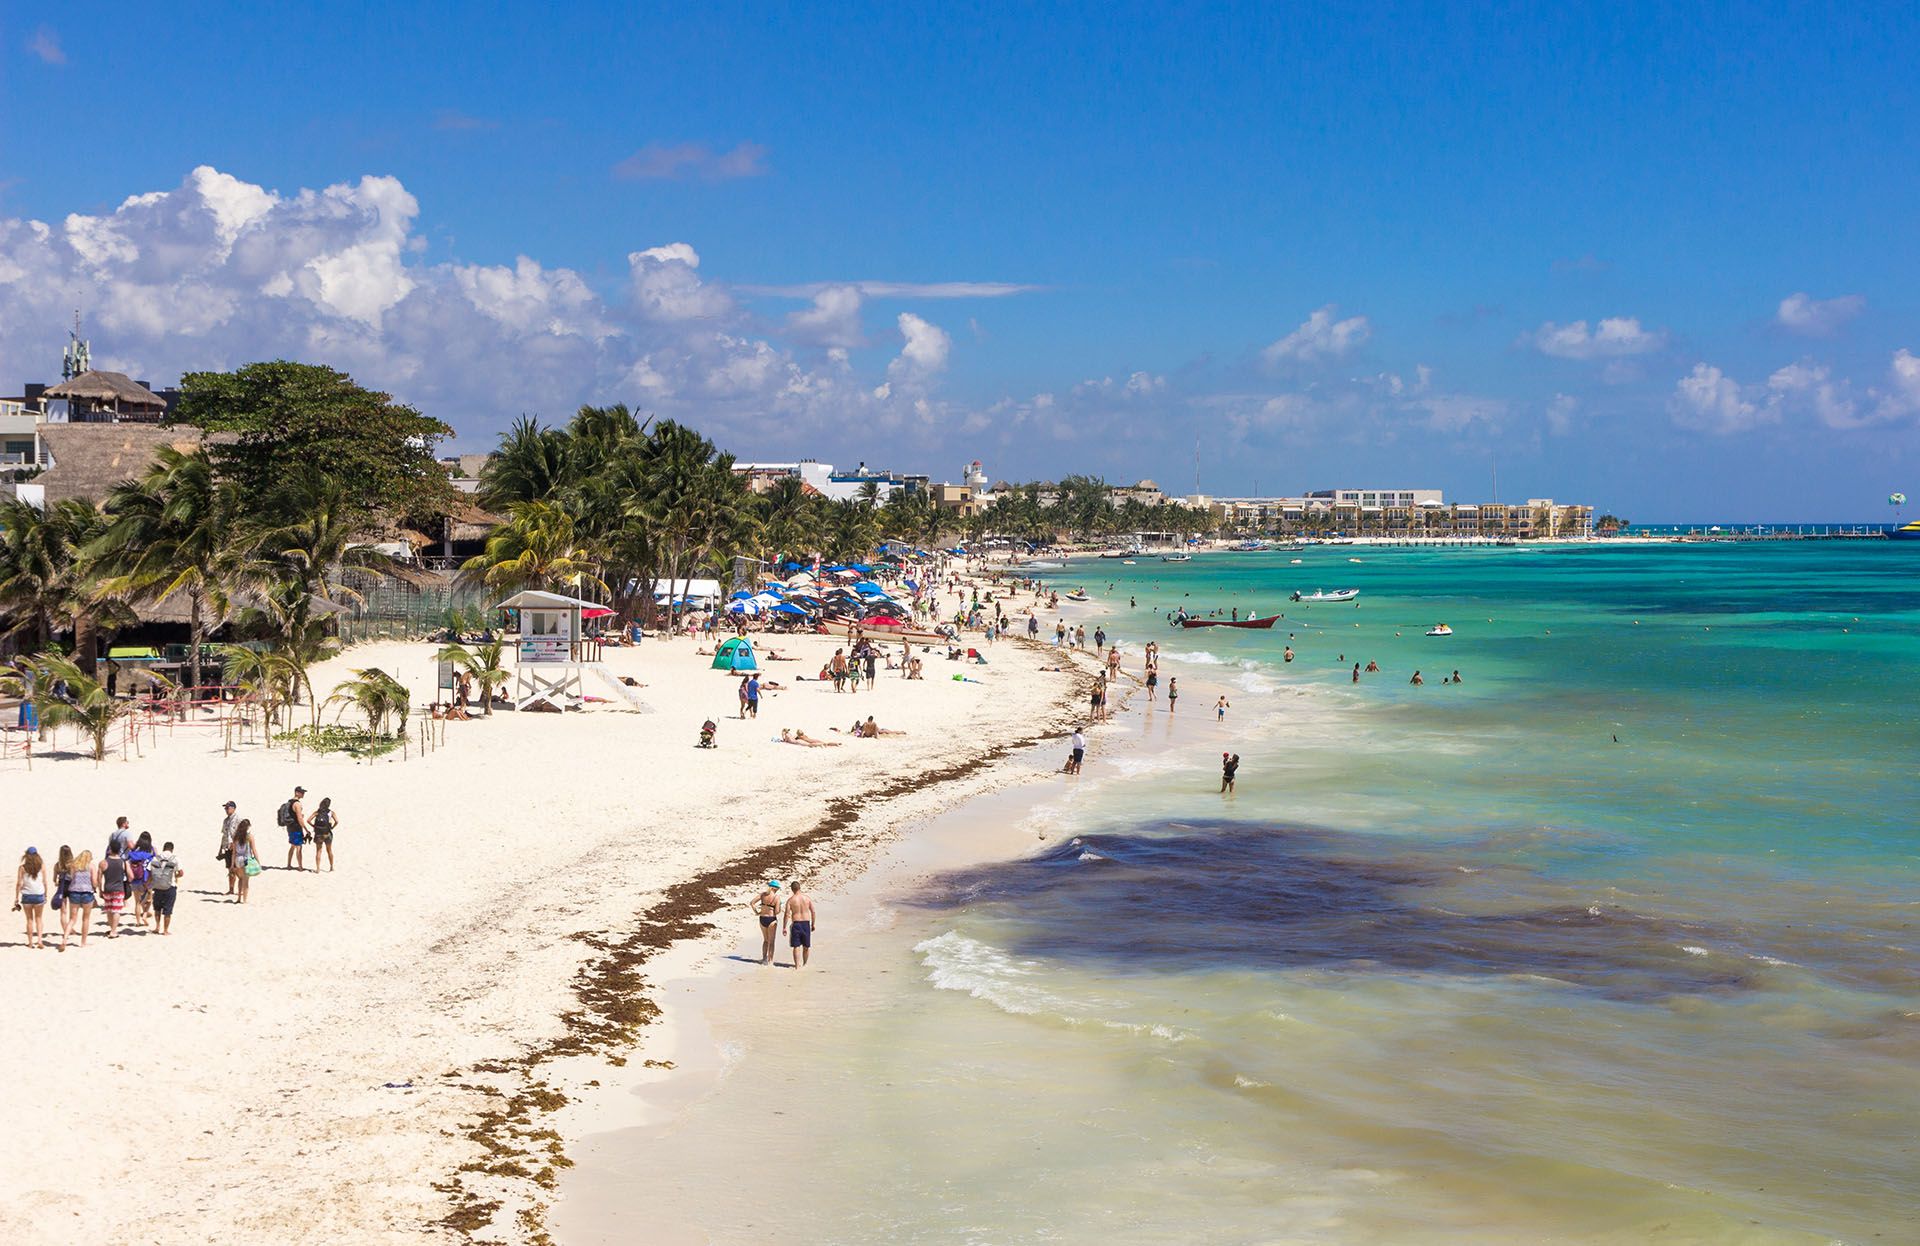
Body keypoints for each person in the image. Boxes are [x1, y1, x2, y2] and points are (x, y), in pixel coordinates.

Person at [13, 847, 48, 949]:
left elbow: (19, 884)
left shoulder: (22, 868)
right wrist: (46, 894)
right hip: (38, 894)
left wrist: (16, 897)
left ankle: (30, 942)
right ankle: (40, 941)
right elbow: (45, 882)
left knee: (29, 920)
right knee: (39, 919)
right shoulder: (41, 866)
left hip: (27, 895)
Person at [59, 848, 95, 950]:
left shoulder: (74, 866)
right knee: (85, 919)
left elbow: (71, 878)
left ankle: (65, 939)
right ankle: (83, 942)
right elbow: (95, 881)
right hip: (87, 893)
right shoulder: (91, 867)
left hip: (74, 892)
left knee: (72, 919)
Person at [98, 838, 131, 939]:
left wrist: (100, 890)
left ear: (110, 849)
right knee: (116, 910)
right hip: (119, 889)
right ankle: (113, 931)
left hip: (108, 888)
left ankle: (111, 928)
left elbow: (99, 878)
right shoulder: (123, 862)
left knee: (108, 910)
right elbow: (130, 876)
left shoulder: (103, 862)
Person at [149, 841, 182, 935]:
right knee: (168, 910)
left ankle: (157, 927)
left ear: (163, 848)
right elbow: (181, 873)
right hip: (170, 886)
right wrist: (175, 876)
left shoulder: (156, 858)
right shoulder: (175, 858)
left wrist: (149, 884)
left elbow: (150, 871)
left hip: (157, 886)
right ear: (172, 849)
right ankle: (165, 930)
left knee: (157, 909)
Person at [748, 881, 783, 966]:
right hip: (771, 919)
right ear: (775, 888)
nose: (778, 890)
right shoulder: (776, 897)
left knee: (765, 940)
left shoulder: (763, 895)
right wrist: (780, 906)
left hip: (762, 918)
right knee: (772, 941)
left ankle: (764, 958)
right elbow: (777, 912)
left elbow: (752, 903)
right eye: (778, 888)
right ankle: (770, 960)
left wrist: (757, 912)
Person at [784, 880, 816, 969]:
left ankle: (797, 966)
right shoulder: (807, 898)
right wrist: (813, 924)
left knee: (796, 946)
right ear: (799, 888)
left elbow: (787, 914)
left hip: (796, 924)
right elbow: (813, 911)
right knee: (806, 946)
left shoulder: (790, 900)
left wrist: (784, 927)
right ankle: (805, 964)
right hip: (806, 923)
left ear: (792, 889)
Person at [128, 830, 157, 928]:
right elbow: (156, 861)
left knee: (137, 902)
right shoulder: (151, 850)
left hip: (135, 879)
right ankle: (144, 915)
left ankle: (138, 921)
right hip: (147, 879)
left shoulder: (134, 852)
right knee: (149, 899)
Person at [229, 821, 258, 904]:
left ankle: (238, 898)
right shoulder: (249, 837)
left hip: (237, 859)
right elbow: (254, 850)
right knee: (246, 881)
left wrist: (232, 865)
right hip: (246, 859)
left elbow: (234, 852)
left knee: (240, 879)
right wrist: (258, 861)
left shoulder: (236, 837)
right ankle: (244, 900)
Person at [281, 786, 309, 872]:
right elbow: (299, 819)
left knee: (293, 845)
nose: (303, 794)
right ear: (297, 792)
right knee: (298, 847)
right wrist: (306, 829)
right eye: (301, 792)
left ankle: (289, 864)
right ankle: (300, 867)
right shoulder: (297, 804)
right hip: (296, 827)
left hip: (290, 827)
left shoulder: (289, 802)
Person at [310, 797, 338, 872]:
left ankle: (318, 868)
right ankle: (331, 867)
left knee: (318, 851)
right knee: (329, 850)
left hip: (319, 834)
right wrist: (332, 827)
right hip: (327, 833)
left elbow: (308, 820)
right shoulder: (331, 812)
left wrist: (314, 826)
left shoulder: (317, 812)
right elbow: (337, 821)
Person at [218, 800, 240, 895]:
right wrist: (220, 848)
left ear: (233, 808)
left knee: (236, 869)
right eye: (225, 808)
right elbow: (224, 835)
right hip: (227, 847)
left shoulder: (238, 819)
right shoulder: (226, 821)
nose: (226, 809)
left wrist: (236, 844)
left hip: (236, 848)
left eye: (228, 807)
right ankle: (231, 889)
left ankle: (242, 888)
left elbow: (242, 833)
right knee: (230, 869)